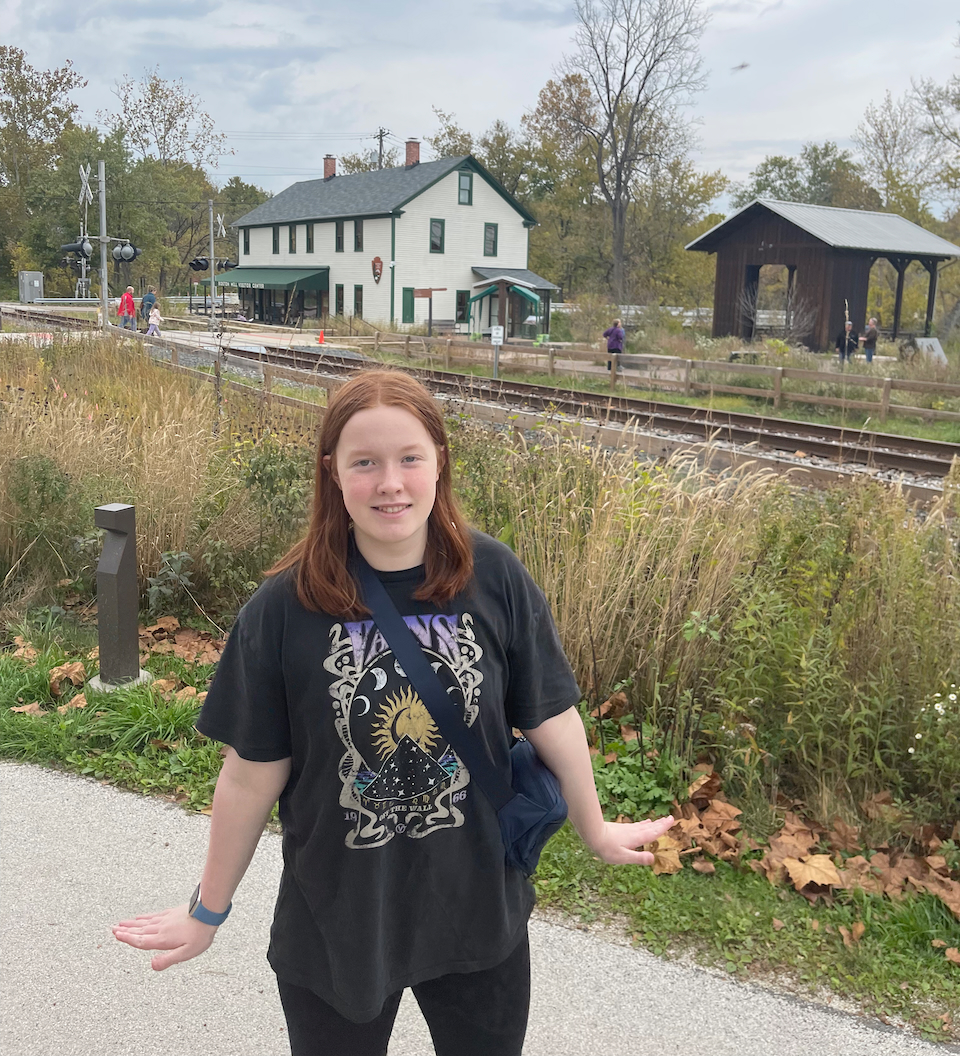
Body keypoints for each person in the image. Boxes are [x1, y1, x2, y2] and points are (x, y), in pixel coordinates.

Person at [112, 370, 674, 1056]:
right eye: (365, 463)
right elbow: (249, 777)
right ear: (332, 474)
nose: (391, 483)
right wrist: (207, 911)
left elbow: (552, 715)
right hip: (337, 923)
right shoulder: (282, 611)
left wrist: (595, 827)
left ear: (440, 460)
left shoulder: (494, 576)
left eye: (410, 457)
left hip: (478, 915)